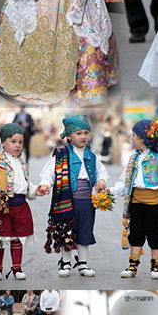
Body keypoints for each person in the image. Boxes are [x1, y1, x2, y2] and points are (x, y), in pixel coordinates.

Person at [39, 114, 109, 277]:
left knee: (85, 232)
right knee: (66, 232)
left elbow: (102, 171)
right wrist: (45, 184)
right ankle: (65, 263)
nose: (83, 136)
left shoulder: (92, 156)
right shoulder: (62, 154)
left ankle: (83, 264)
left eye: (86, 132)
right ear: (69, 136)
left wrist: (102, 180)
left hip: (87, 202)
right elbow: (49, 172)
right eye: (79, 133)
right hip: (67, 200)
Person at [111, 119, 158, 280]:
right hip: (136, 203)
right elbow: (125, 181)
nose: (131, 139)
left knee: (155, 235)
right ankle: (132, 266)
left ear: (142, 138)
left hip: (153, 205)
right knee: (136, 234)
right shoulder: (134, 158)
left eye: (133, 136)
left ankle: (155, 266)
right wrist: (111, 191)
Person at [0, 122, 46, 281]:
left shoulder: (22, 163)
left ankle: (17, 268)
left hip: (20, 205)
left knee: (17, 238)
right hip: (2, 206)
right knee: (0, 238)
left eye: (20, 142)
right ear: (3, 142)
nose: (17, 145)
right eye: (13, 142)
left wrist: (35, 190)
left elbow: (25, 184)